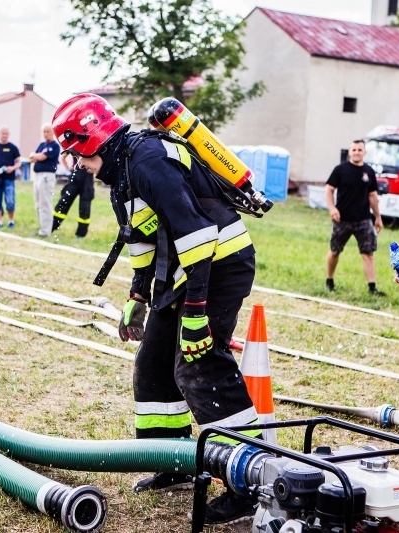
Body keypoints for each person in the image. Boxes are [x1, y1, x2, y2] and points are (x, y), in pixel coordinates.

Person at [52, 94, 261, 526]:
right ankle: (174, 461)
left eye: (75, 152)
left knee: (197, 361)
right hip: (185, 270)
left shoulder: (146, 160)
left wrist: (197, 313)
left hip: (219, 265)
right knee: (152, 363)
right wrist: (137, 297)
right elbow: (143, 239)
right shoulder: (122, 169)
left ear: (92, 140)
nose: (76, 163)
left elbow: (198, 234)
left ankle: (250, 483)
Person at [324, 139, 384, 295]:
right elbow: (329, 190)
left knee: (368, 253)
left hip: (363, 219)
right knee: (335, 251)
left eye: (359, 150)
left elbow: (372, 196)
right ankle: (329, 281)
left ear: (365, 152)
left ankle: (372, 288)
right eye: (354, 150)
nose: (357, 152)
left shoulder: (369, 172)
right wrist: (332, 208)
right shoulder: (340, 170)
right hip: (342, 218)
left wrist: (378, 217)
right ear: (349, 152)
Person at [51, 152, 94, 238]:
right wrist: (68, 168)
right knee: (63, 202)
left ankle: (80, 234)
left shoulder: (93, 145)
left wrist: (93, 169)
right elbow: (63, 157)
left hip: (87, 178)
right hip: (75, 176)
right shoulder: (76, 144)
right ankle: (52, 227)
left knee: (85, 207)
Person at [30, 123, 61, 237]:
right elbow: (32, 158)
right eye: (44, 131)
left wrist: (36, 155)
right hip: (37, 175)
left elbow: (41, 157)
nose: (45, 134)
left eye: (48, 131)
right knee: (38, 204)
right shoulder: (42, 145)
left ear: (52, 132)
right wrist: (36, 155)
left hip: (47, 176)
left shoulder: (54, 146)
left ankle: (46, 231)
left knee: (45, 203)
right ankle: (41, 228)